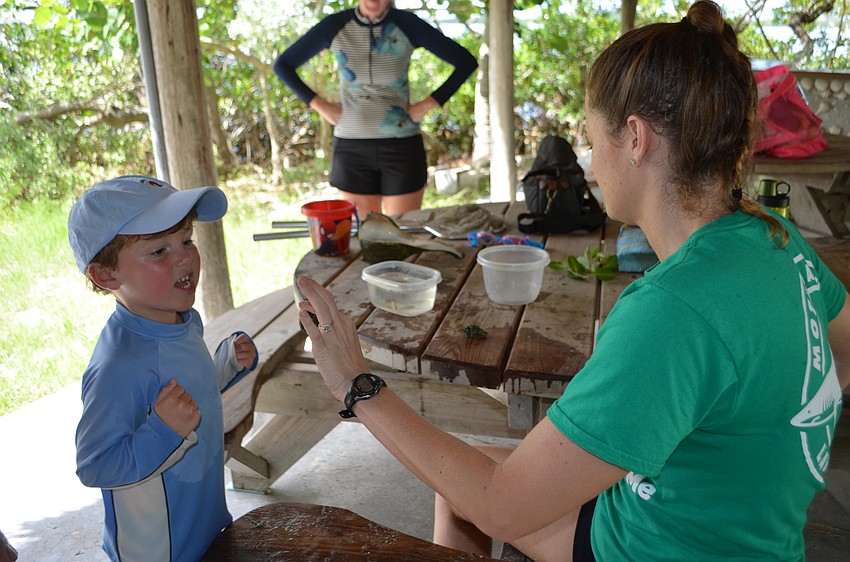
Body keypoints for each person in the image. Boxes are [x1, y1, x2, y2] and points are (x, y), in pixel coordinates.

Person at [294, 1, 850, 560]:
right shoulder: (773, 235)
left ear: (635, 139)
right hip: (749, 533)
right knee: (460, 479)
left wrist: (355, 385)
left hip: (655, 547)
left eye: (591, 137)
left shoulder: (671, 310)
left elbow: (498, 505)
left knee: (471, 491)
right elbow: (840, 352)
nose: (588, 160)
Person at [67, 176, 259, 562]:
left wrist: (222, 365)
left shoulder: (182, 321)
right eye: (158, 251)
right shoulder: (118, 367)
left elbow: (181, 392)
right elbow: (95, 465)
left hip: (201, 520)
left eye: (186, 240)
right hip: (159, 548)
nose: (185, 256)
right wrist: (162, 431)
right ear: (106, 276)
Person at [274, 0, 477, 217]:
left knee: (402, 232)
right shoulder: (335, 25)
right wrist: (320, 105)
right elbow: (283, 65)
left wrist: (428, 104)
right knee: (367, 234)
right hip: (352, 149)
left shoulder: (407, 24)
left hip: (401, 146)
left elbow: (465, 61)